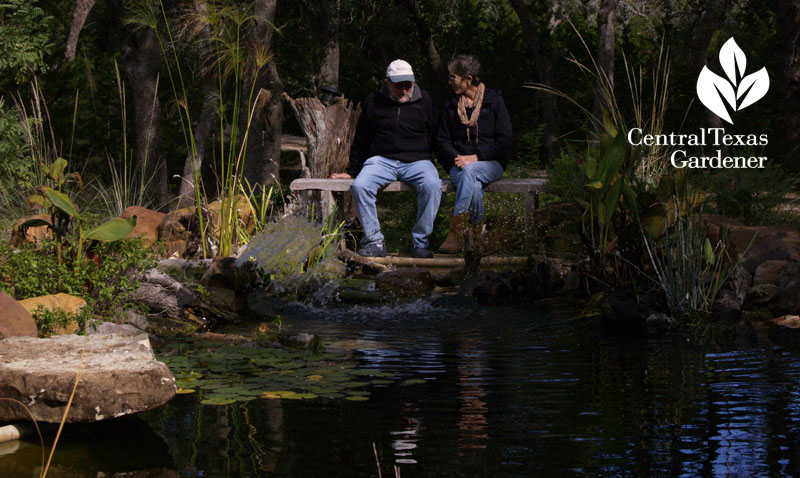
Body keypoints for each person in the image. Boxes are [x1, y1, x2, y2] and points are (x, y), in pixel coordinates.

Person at [331, 59, 441, 258]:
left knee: (433, 185)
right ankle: (375, 241)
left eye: (408, 84)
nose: (404, 89)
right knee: (360, 186)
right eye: (399, 85)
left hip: (418, 161)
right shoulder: (374, 101)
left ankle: (421, 243)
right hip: (381, 160)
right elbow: (361, 138)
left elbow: (437, 137)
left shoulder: (425, 101)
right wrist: (351, 171)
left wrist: (452, 165)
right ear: (387, 82)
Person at [436, 55, 512, 254]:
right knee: (475, 188)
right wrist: (457, 158)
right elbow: (442, 141)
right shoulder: (451, 106)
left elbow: (505, 141)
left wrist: (476, 157)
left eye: (453, 77)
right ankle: (478, 236)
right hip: (458, 165)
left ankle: (455, 231)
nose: (450, 81)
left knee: (471, 171)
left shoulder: (494, 102)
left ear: (468, 79)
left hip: (491, 164)